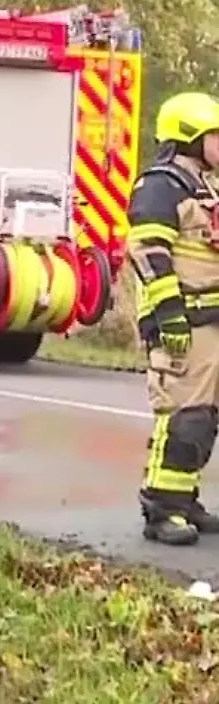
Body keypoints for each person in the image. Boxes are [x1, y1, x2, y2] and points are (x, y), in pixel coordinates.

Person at [127, 90, 219, 544]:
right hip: (184, 323)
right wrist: (170, 318)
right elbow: (148, 253)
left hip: (212, 323)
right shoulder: (162, 185)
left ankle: (185, 500)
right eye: (215, 135)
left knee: (205, 417)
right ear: (190, 138)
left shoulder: (206, 186)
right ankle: (161, 509)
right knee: (183, 415)